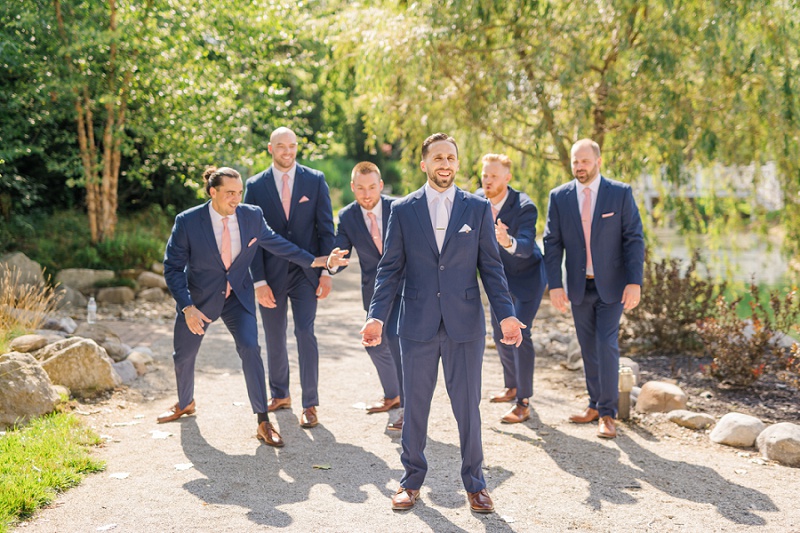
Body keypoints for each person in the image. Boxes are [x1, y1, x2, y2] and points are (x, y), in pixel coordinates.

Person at [361, 133, 525, 514]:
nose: (445, 164)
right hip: (416, 324)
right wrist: (376, 316)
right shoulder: (403, 210)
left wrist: (506, 314)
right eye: (438, 158)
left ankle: (476, 485)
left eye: (450, 158)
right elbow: (389, 269)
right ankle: (411, 481)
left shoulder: (477, 208)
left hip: (464, 325)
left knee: (467, 408)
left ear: (458, 163)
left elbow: (492, 268)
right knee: (415, 407)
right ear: (424, 164)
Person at [160, 166, 348, 448]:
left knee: (251, 348)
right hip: (199, 300)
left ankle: (263, 421)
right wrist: (187, 307)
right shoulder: (188, 221)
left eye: (239, 192)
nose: (236, 199)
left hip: (237, 297)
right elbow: (173, 268)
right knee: (183, 356)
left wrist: (319, 262)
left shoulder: (251, 216)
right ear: (212, 192)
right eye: (229, 193)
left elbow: (280, 245)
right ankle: (185, 402)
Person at [542, 139, 645, 439]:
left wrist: (635, 282)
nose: (579, 166)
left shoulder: (620, 193)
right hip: (578, 286)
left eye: (585, 161)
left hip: (612, 285)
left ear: (598, 161)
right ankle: (594, 404)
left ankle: (608, 413)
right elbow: (552, 243)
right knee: (587, 347)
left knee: (605, 343)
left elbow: (634, 239)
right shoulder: (559, 197)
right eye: (575, 161)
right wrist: (555, 285)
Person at [244, 127, 336, 429]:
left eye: (292, 146)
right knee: (274, 336)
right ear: (271, 149)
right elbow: (251, 238)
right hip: (270, 276)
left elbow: (326, 229)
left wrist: (326, 271)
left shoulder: (315, 179)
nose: (288, 151)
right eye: (281, 146)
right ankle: (280, 394)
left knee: (305, 333)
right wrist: (258, 282)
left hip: (306, 275)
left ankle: (310, 403)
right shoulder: (255, 185)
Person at [331, 162, 404, 431]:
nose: (367, 194)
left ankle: (408, 410)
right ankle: (393, 395)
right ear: (353, 188)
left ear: (381, 185)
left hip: (406, 287)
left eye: (372, 187)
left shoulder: (400, 207)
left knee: (396, 340)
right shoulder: (348, 216)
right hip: (374, 290)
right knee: (373, 343)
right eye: (360, 188)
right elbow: (341, 253)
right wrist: (332, 264)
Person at [475, 154, 547, 424]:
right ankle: (512, 386)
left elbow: (527, 246)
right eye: (485, 175)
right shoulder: (476, 200)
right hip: (499, 281)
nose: (488, 181)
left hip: (528, 278)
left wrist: (507, 241)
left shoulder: (524, 206)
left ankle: (523, 401)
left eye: (494, 176)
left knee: (520, 335)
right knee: (499, 334)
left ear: (507, 178)